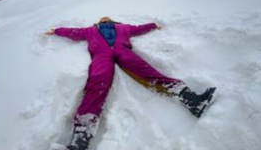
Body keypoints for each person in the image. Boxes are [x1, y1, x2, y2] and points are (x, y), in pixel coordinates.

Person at [46, 17, 216, 150]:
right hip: (101, 56)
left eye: (107, 18)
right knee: (96, 86)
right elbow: (74, 32)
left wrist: (152, 25)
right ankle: (79, 141)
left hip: (124, 52)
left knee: (150, 73)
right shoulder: (91, 30)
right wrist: (57, 31)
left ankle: (193, 101)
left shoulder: (124, 27)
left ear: (113, 21)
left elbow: (139, 28)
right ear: (98, 22)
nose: (105, 19)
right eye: (102, 19)